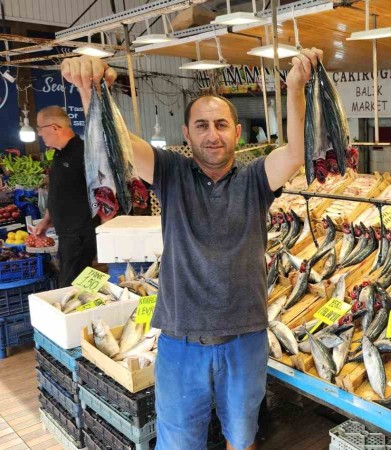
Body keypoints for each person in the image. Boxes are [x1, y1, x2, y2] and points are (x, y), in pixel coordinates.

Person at [61, 47, 321, 450]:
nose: (212, 135)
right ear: (187, 134)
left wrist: (296, 88)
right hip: (180, 342)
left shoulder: (255, 179)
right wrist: (90, 88)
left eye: (221, 124)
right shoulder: (171, 172)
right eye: (202, 125)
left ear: (237, 132)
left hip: (245, 338)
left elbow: (295, 153)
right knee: (180, 443)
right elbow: (119, 144)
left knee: (242, 438)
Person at [31, 106, 98, 286]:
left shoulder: (84, 153)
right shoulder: (59, 154)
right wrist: (46, 220)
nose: (39, 133)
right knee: (71, 282)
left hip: (80, 234)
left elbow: (102, 194)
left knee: (71, 285)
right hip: (66, 234)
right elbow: (58, 192)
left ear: (54, 128)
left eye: (40, 128)